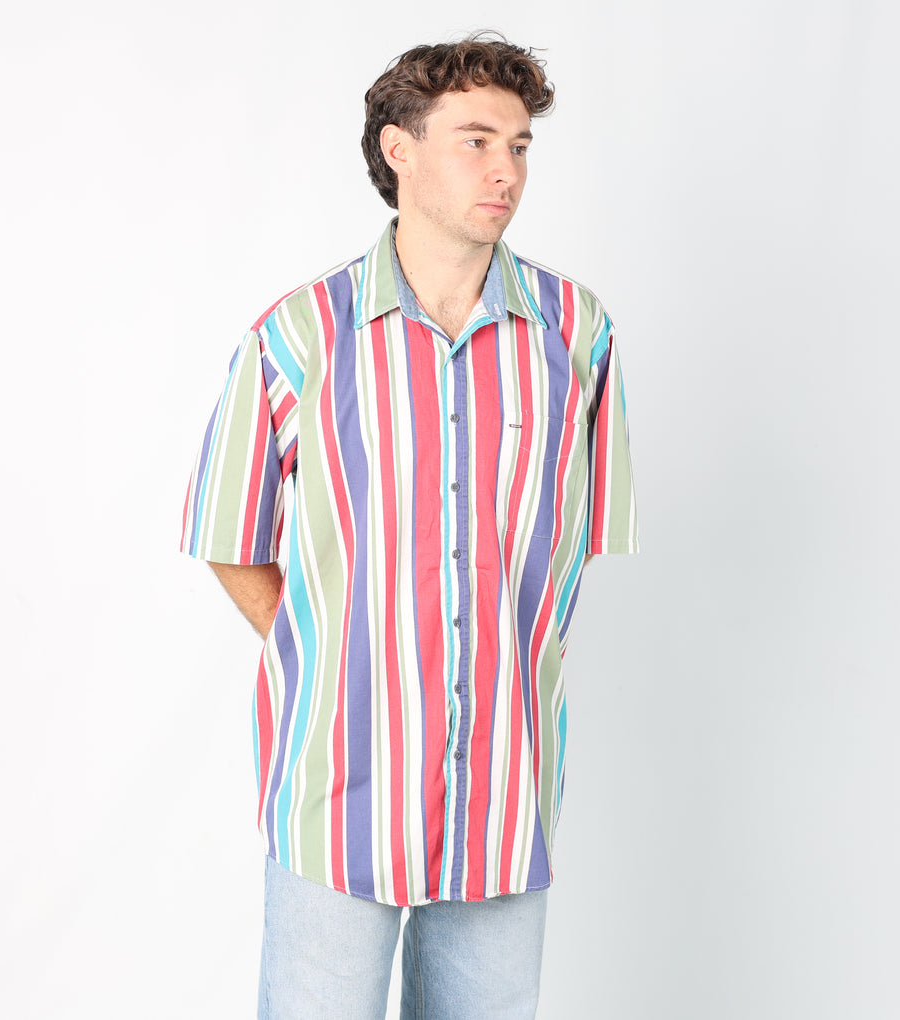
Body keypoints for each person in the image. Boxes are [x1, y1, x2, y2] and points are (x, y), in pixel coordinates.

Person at [180, 31, 638, 1019]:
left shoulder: (578, 333)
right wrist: (337, 654)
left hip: (504, 788)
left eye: (519, 146)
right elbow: (229, 533)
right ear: (400, 149)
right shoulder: (299, 335)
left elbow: (576, 547)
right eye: (476, 141)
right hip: (339, 788)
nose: (506, 170)